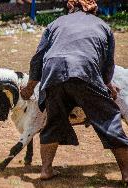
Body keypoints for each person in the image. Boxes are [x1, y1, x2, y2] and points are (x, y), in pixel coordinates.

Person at [20, 0, 128, 183]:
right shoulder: (103, 26)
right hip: (85, 73)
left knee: (53, 122)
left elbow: (38, 58)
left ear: (71, 8)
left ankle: (46, 170)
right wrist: (108, 85)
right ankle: (127, 173)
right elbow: (107, 63)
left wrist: (29, 88)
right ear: (94, 11)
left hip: (53, 74)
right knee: (109, 120)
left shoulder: (55, 24)